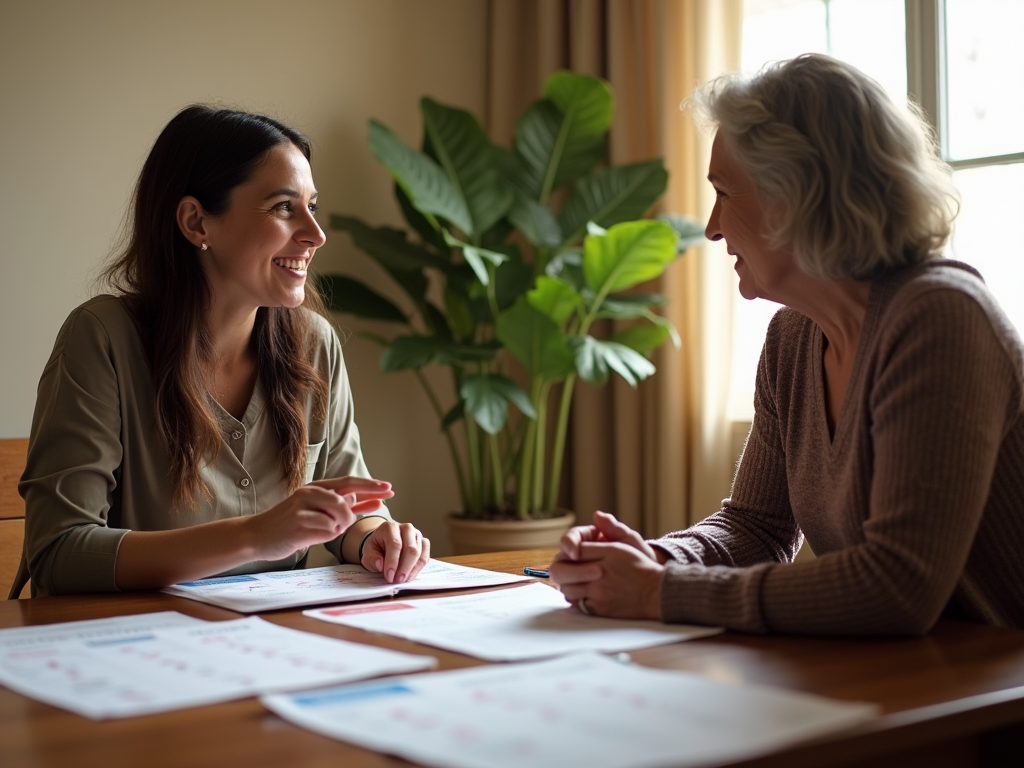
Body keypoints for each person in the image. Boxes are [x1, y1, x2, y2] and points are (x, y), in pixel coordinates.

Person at [550, 54, 1024, 635]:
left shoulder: (941, 318)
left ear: (799, 197)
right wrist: (660, 560)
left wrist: (660, 591)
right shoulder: (794, 336)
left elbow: (898, 586)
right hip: (918, 681)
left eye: (724, 192)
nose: (711, 227)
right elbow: (757, 528)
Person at [17, 105, 429, 597]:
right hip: (129, 651)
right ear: (196, 222)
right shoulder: (102, 337)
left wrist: (371, 538)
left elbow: (349, 505)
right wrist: (255, 535)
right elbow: (60, 551)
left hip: (272, 650)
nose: (315, 235)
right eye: (283, 207)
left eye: (312, 207)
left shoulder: (316, 344)